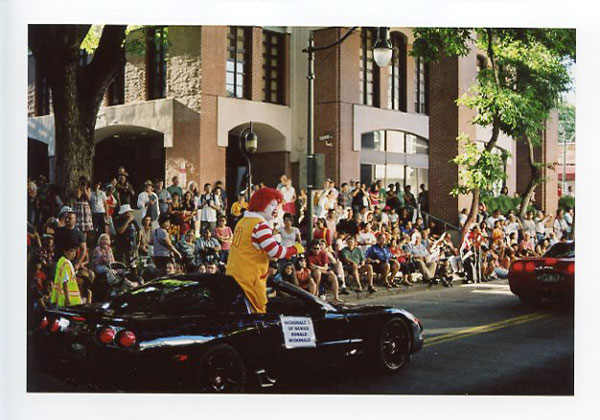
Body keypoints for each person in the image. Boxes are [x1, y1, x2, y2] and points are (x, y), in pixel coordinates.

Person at [226, 188, 304, 313]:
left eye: (277, 205)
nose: (276, 209)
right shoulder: (260, 225)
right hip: (250, 279)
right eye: (272, 204)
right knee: (256, 313)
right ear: (261, 204)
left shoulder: (243, 221)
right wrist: (294, 249)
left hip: (235, 274)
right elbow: (275, 251)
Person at [51, 243, 82, 308]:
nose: (74, 254)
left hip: (60, 298)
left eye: (75, 251)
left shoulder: (61, 261)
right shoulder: (66, 263)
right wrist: (67, 298)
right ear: (65, 251)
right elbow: (65, 282)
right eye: (71, 251)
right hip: (67, 300)